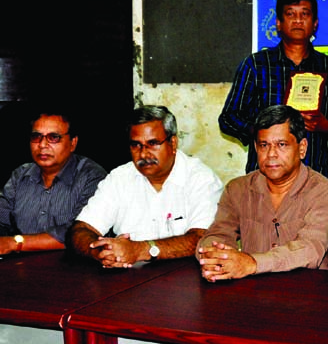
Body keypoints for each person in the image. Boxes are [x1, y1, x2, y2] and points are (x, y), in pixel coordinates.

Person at [219, 0, 328, 179]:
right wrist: (263, 130)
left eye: (304, 14)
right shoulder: (256, 65)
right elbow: (228, 118)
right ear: (279, 24)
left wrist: (324, 125)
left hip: (313, 177)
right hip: (265, 177)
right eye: (290, 14)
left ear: (315, 24)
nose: (298, 20)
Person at [69, 106, 223, 267]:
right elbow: (81, 230)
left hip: (187, 282)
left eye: (153, 143)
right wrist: (99, 251)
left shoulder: (201, 179)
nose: (143, 154)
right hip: (128, 280)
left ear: (173, 143)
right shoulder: (119, 178)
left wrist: (140, 250)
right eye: (136, 145)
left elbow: (201, 238)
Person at [197, 105, 328, 281]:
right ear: (256, 148)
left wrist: (252, 263)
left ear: (302, 148)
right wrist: (216, 257)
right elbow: (218, 234)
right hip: (253, 291)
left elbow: (310, 249)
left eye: (281, 145)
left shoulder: (322, 191)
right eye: (264, 145)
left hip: (308, 292)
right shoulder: (237, 189)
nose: (271, 154)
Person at [0, 109, 107, 254]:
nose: (43, 144)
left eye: (53, 137)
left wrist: (14, 243)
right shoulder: (20, 176)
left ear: (73, 143)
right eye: (36, 137)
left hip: (76, 268)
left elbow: (79, 232)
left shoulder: (92, 177)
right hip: (20, 266)